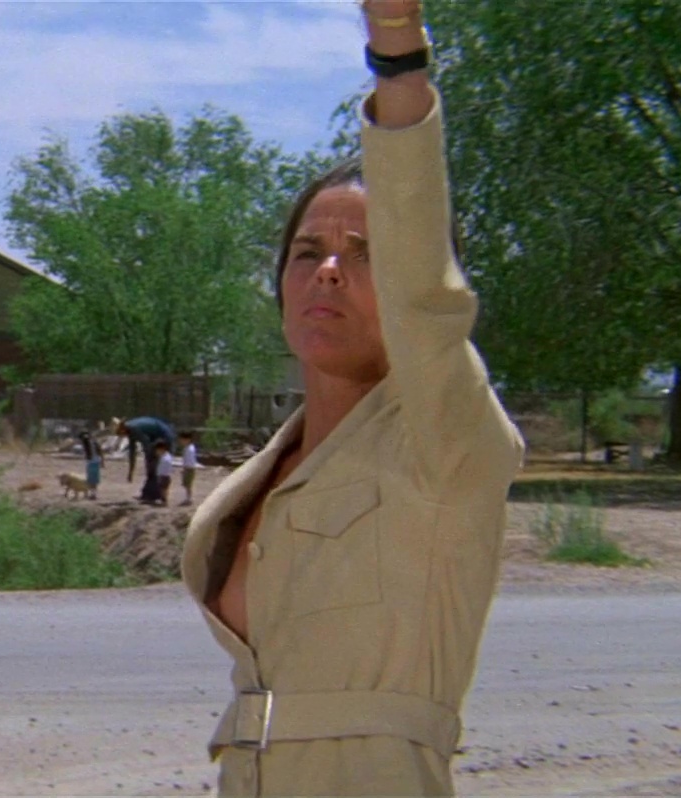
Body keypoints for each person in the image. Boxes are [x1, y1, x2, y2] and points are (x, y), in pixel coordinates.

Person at [177, 1, 525, 795]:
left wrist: (396, 52)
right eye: (307, 252)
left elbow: (427, 296)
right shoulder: (268, 475)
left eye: (364, 254)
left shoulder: (449, 445)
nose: (327, 270)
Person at [115, 415, 177, 505]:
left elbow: (146, 443)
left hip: (164, 436)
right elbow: (132, 452)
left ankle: (154, 495)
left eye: (119, 433)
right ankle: (148, 494)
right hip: (155, 437)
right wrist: (131, 472)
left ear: (122, 429)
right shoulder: (130, 430)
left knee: (154, 469)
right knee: (151, 468)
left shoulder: (134, 429)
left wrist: (150, 458)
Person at [177, 430, 200, 506]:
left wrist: (186, 468)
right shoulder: (188, 448)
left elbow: (190, 460)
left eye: (182, 440)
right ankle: (188, 497)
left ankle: (189, 498)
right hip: (188, 468)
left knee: (188, 484)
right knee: (187, 484)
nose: (181, 442)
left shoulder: (189, 449)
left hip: (189, 469)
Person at [78, 430, 103, 499]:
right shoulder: (94, 442)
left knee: (91, 480)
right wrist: (102, 462)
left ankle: (92, 494)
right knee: (94, 480)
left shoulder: (86, 443)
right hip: (96, 461)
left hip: (90, 462)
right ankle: (93, 494)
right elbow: (100, 451)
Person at [154, 440, 175, 506]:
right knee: (163, 489)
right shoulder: (165, 456)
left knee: (163, 489)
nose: (156, 452)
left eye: (157, 450)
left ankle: (164, 501)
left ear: (161, 449)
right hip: (164, 476)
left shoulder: (165, 458)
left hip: (164, 476)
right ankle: (163, 500)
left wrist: (160, 475)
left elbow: (165, 468)